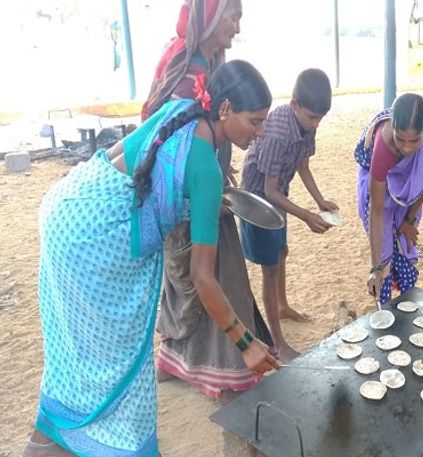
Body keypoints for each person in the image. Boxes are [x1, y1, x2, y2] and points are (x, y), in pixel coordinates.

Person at [24, 60, 280, 457]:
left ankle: (44, 443)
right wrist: (246, 343)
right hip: (95, 240)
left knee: (76, 368)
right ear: (225, 109)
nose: (259, 132)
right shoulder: (207, 171)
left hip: (69, 206)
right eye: (255, 121)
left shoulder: (182, 109)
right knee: (119, 371)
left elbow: (133, 163)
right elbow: (204, 278)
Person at [141, 0, 274, 399]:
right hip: (182, 201)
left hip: (199, 192)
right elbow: (170, 154)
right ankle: (230, 369)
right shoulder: (187, 70)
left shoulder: (207, 68)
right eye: (232, 17)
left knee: (202, 276)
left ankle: (191, 361)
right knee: (211, 276)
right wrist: (204, 191)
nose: (236, 27)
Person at [240, 68, 338, 361]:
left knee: (281, 250)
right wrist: (306, 215)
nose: (315, 123)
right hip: (257, 201)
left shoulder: (307, 124)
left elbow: (303, 165)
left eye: (320, 118)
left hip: (278, 196)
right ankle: (277, 343)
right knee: (269, 269)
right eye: (311, 117)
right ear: (295, 105)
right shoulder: (277, 133)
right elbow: (269, 191)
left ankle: (282, 306)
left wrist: (320, 201)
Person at [354, 93, 423, 304]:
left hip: (406, 196)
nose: (407, 147)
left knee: (404, 261)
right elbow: (376, 210)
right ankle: (383, 306)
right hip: (378, 196)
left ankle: (407, 311)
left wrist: (409, 220)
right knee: (384, 261)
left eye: (414, 140)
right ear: (393, 127)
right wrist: (375, 268)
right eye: (400, 139)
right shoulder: (383, 148)